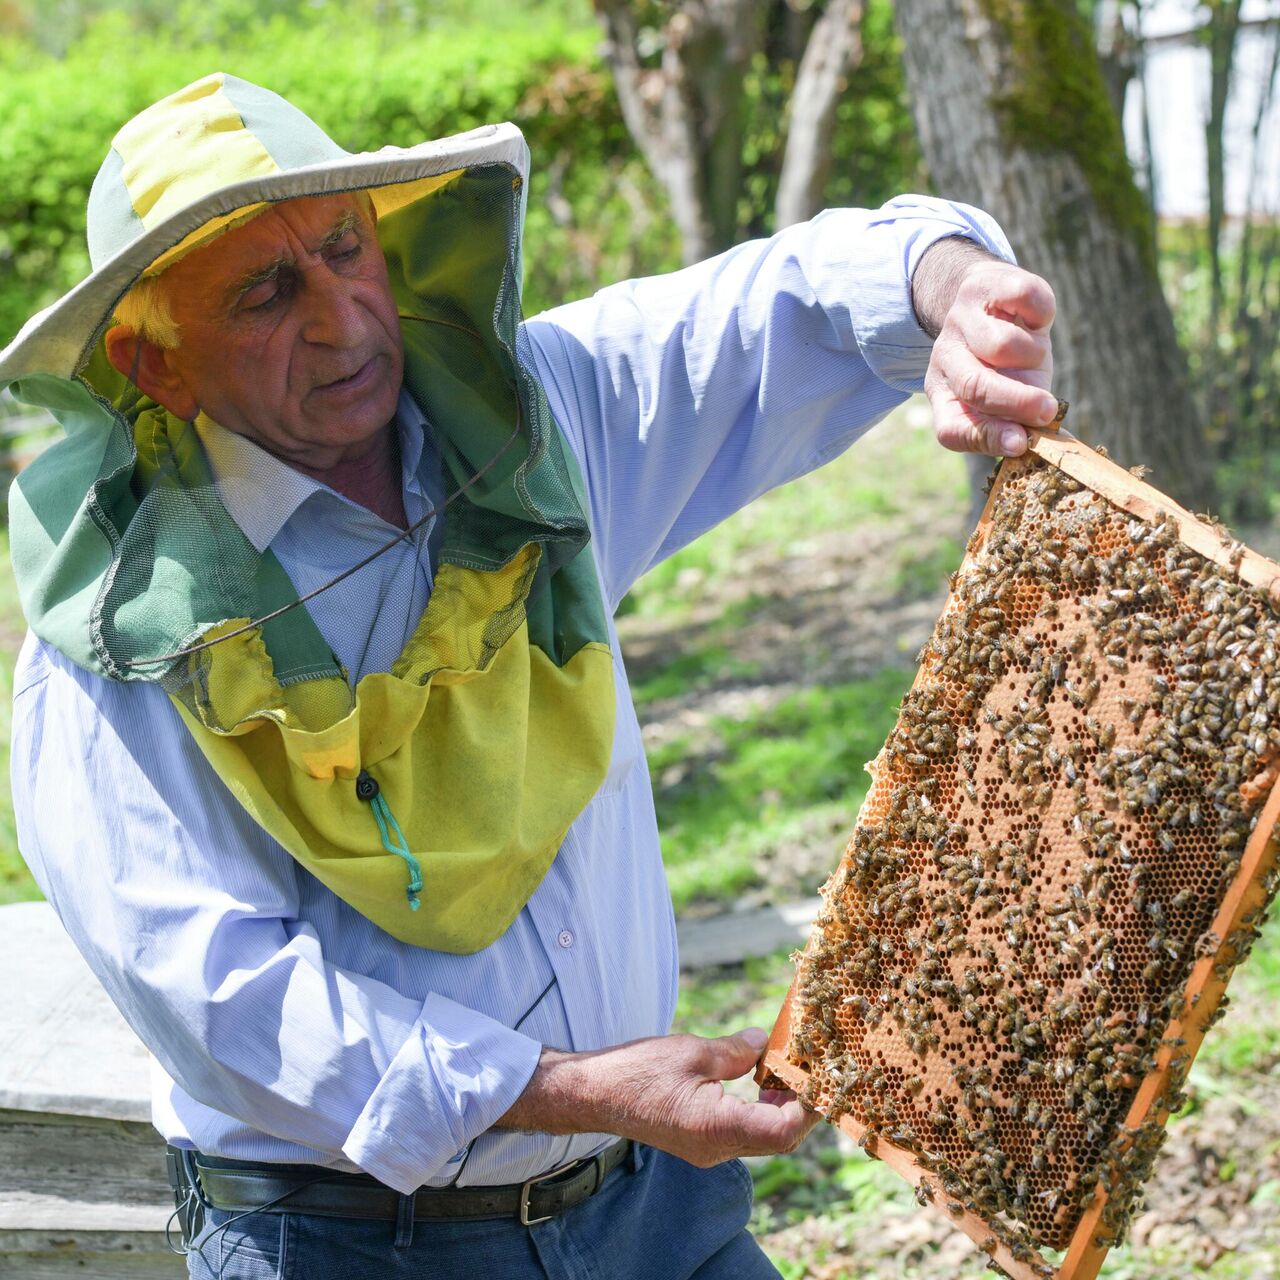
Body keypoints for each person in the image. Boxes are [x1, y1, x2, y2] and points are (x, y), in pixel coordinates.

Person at [1, 74, 1057, 1279]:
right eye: (265, 291)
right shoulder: (118, 648)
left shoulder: (534, 421)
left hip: (655, 1210)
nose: (345, 318)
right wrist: (575, 1090)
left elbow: (782, 300)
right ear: (156, 358)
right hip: (352, 1246)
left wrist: (952, 290)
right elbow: (226, 1001)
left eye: (345, 249)